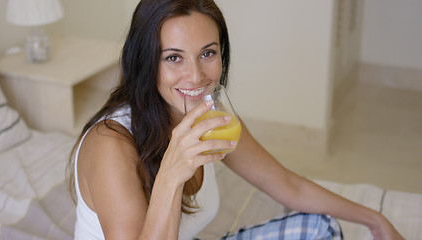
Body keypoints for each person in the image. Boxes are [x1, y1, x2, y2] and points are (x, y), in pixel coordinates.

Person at [67, 0, 404, 239]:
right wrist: (170, 175)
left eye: (207, 53)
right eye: (173, 58)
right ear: (145, 62)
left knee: (320, 228)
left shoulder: (212, 117)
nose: (197, 76)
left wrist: (375, 220)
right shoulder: (111, 144)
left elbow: (289, 186)